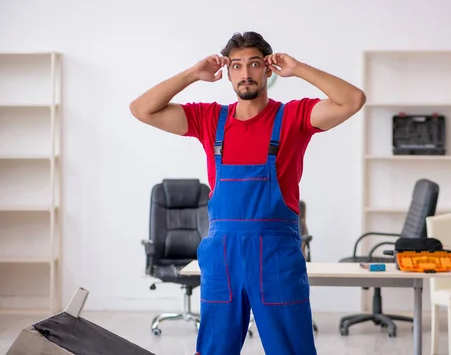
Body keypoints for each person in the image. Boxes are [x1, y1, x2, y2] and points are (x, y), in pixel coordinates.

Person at [129, 31, 366, 355]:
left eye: (254, 64)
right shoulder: (210, 119)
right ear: (227, 74)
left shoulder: (293, 117)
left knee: (291, 349)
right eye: (237, 66)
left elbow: (353, 100)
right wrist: (192, 75)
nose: (245, 73)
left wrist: (299, 68)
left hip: (276, 254)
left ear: (268, 70)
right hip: (222, 256)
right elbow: (141, 109)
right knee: (215, 349)